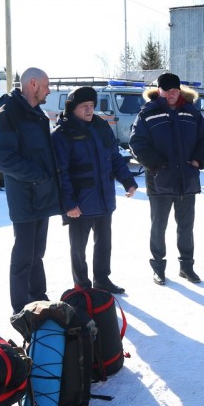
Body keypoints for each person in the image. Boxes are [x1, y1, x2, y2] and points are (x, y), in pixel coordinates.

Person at [129, 72, 204, 286]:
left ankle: (187, 267)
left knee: (186, 227)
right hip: (160, 180)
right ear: (159, 91)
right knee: (158, 227)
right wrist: (157, 165)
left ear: (179, 90)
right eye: (167, 91)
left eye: (174, 90)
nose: (171, 94)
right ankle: (158, 268)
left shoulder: (190, 112)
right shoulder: (148, 113)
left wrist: (198, 160)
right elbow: (136, 143)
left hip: (186, 179)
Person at [0, 67, 62, 314]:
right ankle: (20, 309)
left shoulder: (34, 112)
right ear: (33, 84)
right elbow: (2, 157)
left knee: (37, 253)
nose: (49, 90)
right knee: (23, 256)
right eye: (46, 85)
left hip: (41, 194)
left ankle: (39, 298)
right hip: (24, 196)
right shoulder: (9, 111)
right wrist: (38, 176)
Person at [52, 86, 137, 294]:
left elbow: (114, 157)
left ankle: (102, 279)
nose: (90, 110)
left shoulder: (101, 126)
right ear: (73, 108)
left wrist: (128, 181)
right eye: (84, 106)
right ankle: (82, 285)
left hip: (104, 197)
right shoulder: (62, 133)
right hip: (79, 203)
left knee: (104, 243)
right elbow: (59, 172)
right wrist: (69, 204)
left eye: (92, 105)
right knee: (78, 249)